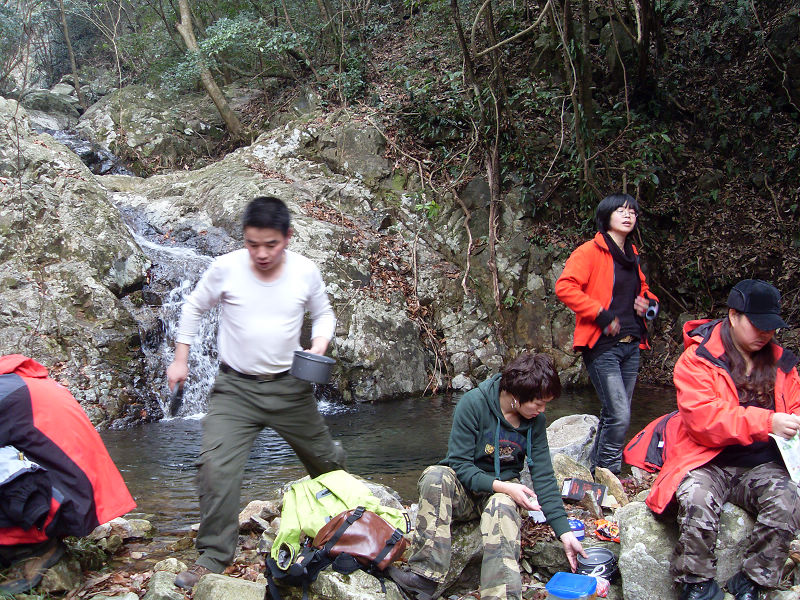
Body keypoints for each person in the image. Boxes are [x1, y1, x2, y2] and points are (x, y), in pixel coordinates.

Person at [166, 196, 346, 590]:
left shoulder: (305, 271)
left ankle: (351, 525)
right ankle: (213, 556)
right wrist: (181, 359)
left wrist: (319, 344)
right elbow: (194, 307)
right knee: (215, 468)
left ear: (287, 237)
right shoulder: (225, 268)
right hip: (234, 390)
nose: (261, 254)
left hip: (290, 388)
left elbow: (325, 312)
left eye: (271, 245)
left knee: (328, 462)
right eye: (252, 244)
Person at [644, 279, 800, 600]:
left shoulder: (784, 364)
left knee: (788, 501)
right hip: (707, 458)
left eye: (771, 327)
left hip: (763, 464)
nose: (766, 333)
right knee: (696, 498)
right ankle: (696, 583)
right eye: (758, 325)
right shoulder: (697, 360)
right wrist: (769, 421)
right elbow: (705, 421)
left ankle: (753, 581)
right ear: (733, 315)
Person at [387, 352, 586, 600]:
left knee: (503, 505)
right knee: (435, 476)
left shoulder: (535, 422)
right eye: (539, 403)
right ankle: (424, 577)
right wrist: (502, 485)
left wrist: (565, 533)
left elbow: (544, 476)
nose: (543, 410)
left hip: (501, 496)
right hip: (465, 491)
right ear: (517, 396)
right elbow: (459, 464)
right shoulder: (473, 404)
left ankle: (500, 595)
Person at [1, 354, 136, 594]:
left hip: (65, 503)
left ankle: (28, 548)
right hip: (76, 498)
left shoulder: (8, 391)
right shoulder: (18, 382)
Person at [555, 192, 659, 474]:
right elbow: (565, 287)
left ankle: (597, 471)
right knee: (620, 414)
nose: (628, 215)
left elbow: (644, 292)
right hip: (602, 345)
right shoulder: (589, 251)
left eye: (632, 212)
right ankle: (610, 472)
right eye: (621, 211)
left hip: (631, 344)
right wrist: (600, 313)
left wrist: (649, 306)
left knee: (614, 414)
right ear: (606, 217)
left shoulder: (632, 255)